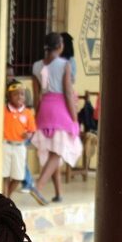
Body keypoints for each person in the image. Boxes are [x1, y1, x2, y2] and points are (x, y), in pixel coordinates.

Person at [30, 32, 82, 205]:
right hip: (60, 108)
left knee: (54, 150)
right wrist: (74, 118)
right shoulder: (64, 64)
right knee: (57, 152)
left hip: (44, 108)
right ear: (60, 46)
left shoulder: (36, 66)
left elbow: (37, 96)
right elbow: (67, 92)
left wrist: (37, 116)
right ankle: (38, 186)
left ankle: (59, 193)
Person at [2, 82, 35, 198]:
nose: (20, 97)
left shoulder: (28, 113)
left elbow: (31, 130)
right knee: (4, 175)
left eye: (22, 94)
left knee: (18, 177)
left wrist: (29, 135)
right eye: (16, 94)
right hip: (5, 145)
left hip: (20, 147)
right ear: (9, 96)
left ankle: (6, 197)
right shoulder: (3, 111)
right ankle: (4, 200)